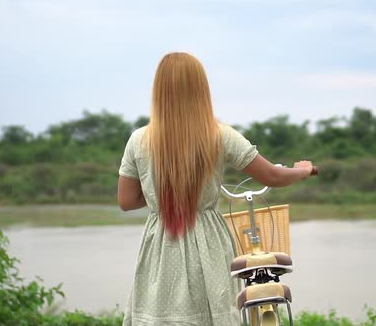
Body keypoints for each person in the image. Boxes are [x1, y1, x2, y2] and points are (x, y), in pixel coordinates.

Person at [118, 52, 314, 326]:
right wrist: (302, 170)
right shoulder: (220, 135)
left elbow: (126, 200)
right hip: (208, 239)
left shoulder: (138, 140)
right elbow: (273, 175)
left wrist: (161, 196)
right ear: (200, 89)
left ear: (159, 90)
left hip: (160, 243)